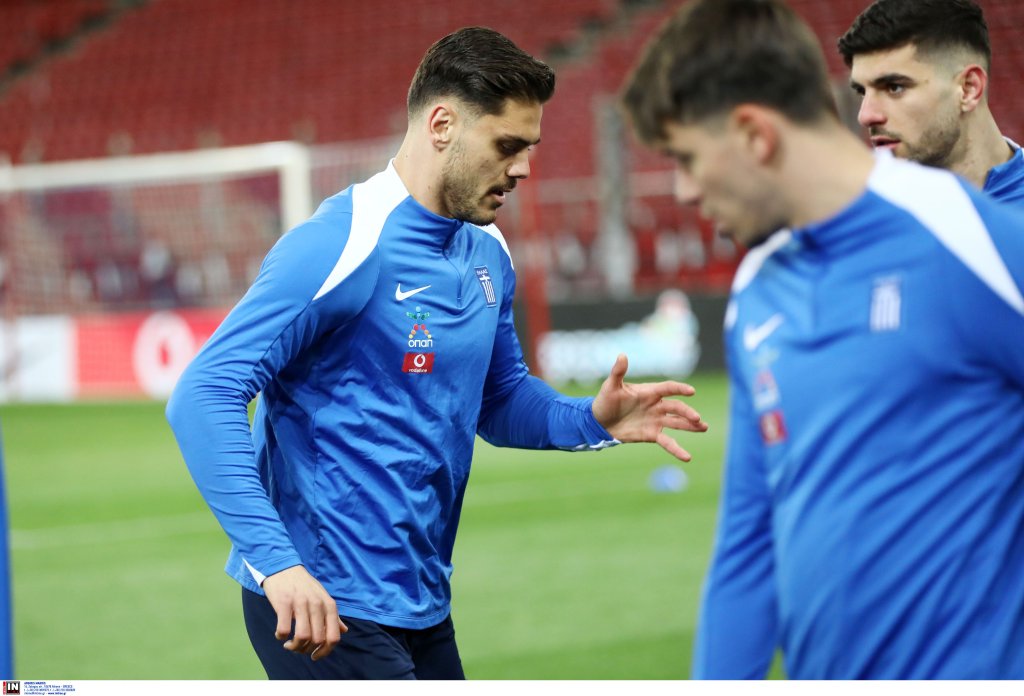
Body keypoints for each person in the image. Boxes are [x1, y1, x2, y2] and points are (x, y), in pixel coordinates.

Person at [166, 26, 708, 681]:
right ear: (442, 124)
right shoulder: (342, 244)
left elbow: (499, 398)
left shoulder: (488, 251)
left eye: (529, 148)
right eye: (507, 146)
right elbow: (205, 393)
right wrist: (277, 564)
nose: (523, 169)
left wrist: (589, 420)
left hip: (420, 601)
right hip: (322, 606)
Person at [621, 0, 1024, 680]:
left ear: (755, 135)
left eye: (687, 158)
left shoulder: (972, 242)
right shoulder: (755, 289)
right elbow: (748, 545)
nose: (683, 191)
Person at [838, 0, 1024, 203]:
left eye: (894, 87)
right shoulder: (853, 210)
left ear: (968, 88)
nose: (865, 116)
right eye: (862, 91)